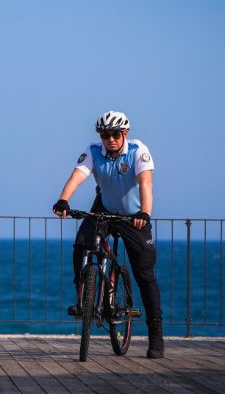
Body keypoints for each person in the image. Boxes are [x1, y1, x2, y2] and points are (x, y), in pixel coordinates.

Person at [52, 110, 164, 359]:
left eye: (115, 134)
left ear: (125, 134)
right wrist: (63, 200)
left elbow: (146, 184)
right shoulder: (94, 151)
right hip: (104, 208)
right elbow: (77, 176)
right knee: (82, 243)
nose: (110, 139)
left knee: (145, 274)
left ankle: (156, 334)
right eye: (105, 135)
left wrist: (144, 214)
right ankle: (83, 292)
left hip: (134, 214)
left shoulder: (137, 151)